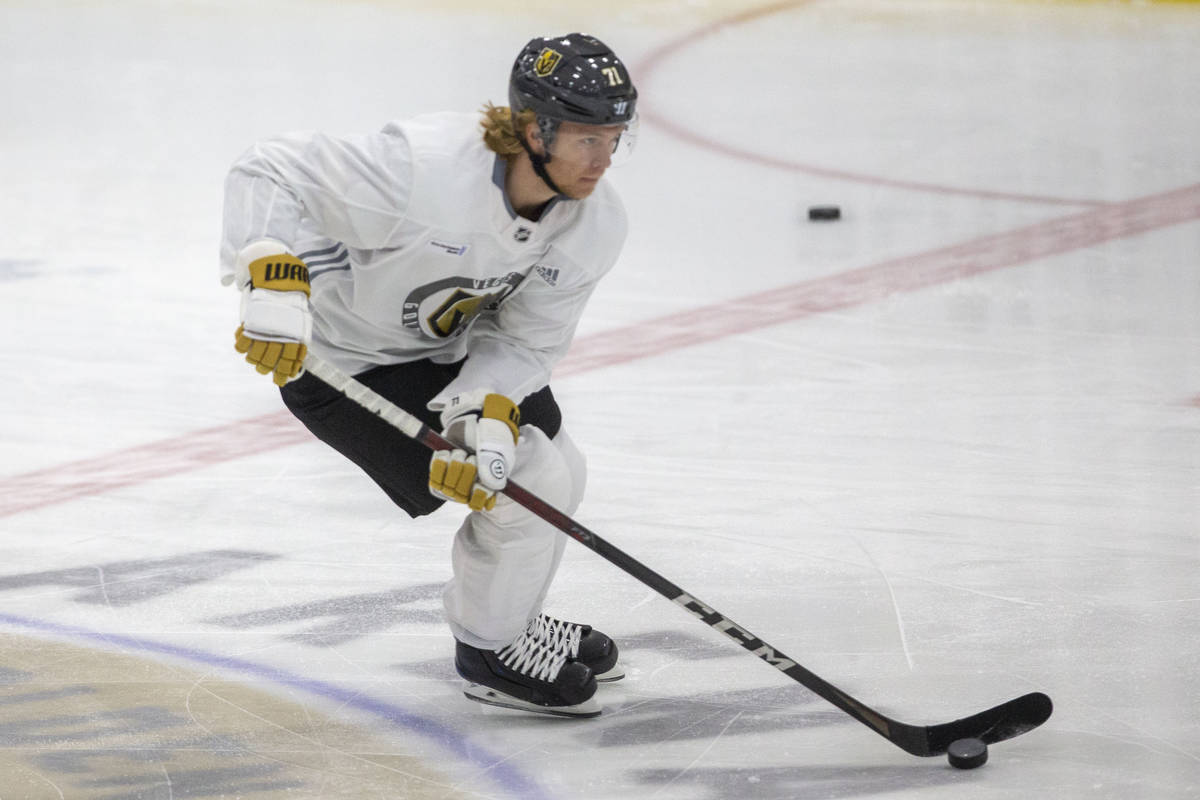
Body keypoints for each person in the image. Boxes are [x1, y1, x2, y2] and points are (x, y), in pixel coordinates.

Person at [218, 33, 639, 718]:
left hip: (447, 352)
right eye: (587, 139)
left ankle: (516, 619)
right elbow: (270, 170)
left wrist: (487, 415)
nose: (604, 159)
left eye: (614, 138)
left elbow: (527, 339)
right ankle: (490, 650)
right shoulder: (423, 172)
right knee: (533, 478)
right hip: (343, 363)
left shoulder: (595, 224)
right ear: (536, 129)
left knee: (558, 463)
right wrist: (271, 274)